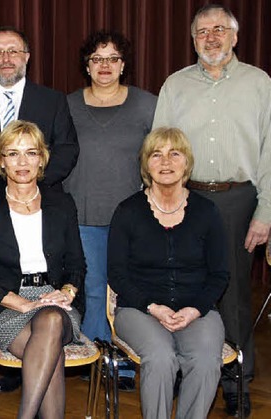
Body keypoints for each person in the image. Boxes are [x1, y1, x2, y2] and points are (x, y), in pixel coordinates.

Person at [152, 5, 271, 416]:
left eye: (220, 29)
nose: (212, 37)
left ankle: (237, 381)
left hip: (240, 200)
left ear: (235, 37)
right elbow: (158, 151)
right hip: (185, 200)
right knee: (182, 286)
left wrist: (266, 212)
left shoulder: (260, 83)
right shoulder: (175, 85)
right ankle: (189, 371)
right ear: (193, 39)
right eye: (203, 31)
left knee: (234, 295)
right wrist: (157, 202)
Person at [108, 127, 229, 419]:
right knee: (161, 359)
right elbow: (117, 274)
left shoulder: (207, 211)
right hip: (139, 308)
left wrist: (195, 310)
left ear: (186, 163)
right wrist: (154, 308)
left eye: (174, 154)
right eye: (156, 154)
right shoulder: (127, 211)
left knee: (204, 360)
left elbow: (219, 274)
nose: (165, 162)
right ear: (145, 164)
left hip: (196, 309)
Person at [0, 120, 85, 419]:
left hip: (54, 301)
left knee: (50, 321)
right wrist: (23, 303)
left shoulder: (62, 204)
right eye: (13, 153)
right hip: (6, 305)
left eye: (31, 153)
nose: (22, 162)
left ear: (42, 159)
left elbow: (76, 264)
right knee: (51, 354)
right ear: (1, 161)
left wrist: (66, 292)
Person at [63, 30, 156, 390]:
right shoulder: (67, 104)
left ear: (123, 64)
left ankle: (128, 359)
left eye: (113, 58)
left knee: (127, 290)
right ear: (87, 65)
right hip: (82, 215)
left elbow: (160, 160)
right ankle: (98, 357)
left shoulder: (148, 105)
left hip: (132, 218)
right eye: (97, 59)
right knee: (93, 289)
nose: (105, 66)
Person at [0, 26, 79, 192]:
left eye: (13, 51)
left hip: (41, 197)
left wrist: (33, 184)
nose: (6, 59)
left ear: (27, 57)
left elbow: (67, 149)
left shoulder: (53, 101)